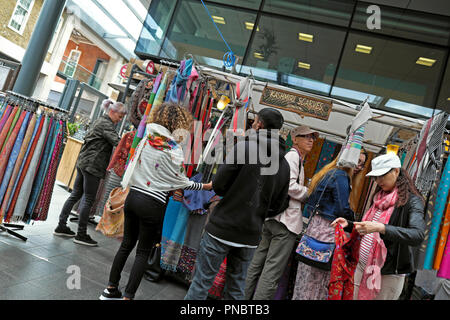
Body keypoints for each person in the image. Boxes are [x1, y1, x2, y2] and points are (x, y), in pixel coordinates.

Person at [100, 103, 212, 300]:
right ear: (178, 124)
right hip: (154, 203)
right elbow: (180, 181)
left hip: (133, 197)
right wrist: (204, 187)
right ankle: (128, 296)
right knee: (143, 251)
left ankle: (110, 289)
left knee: (126, 245)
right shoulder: (173, 149)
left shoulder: (145, 140)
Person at [184, 108, 291, 300]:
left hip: (222, 227)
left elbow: (219, 185)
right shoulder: (284, 165)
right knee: (236, 289)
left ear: (260, 125)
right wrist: (258, 212)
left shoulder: (245, 147)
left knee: (201, 284)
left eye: (255, 121)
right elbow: (280, 204)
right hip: (250, 234)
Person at [331, 153, 425, 300]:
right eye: (375, 177)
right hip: (361, 267)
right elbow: (369, 229)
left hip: (387, 274)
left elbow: (417, 235)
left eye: (382, 175)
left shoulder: (412, 201)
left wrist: (381, 228)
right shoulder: (379, 196)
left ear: (396, 171)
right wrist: (349, 225)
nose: (378, 180)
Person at [244, 125, 318, 300]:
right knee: (271, 271)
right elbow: (290, 187)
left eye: (313, 137)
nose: (310, 140)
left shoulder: (293, 158)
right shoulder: (293, 157)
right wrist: (309, 193)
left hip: (273, 218)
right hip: (284, 221)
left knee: (256, 264)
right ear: (295, 139)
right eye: (306, 136)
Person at [54, 99, 127, 246]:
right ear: (112, 112)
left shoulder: (99, 120)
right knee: (88, 199)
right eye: (119, 117)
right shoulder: (106, 125)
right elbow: (117, 143)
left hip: (84, 162)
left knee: (75, 194)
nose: (120, 120)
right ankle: (81, 234)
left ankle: (61, 225)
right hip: (93, 164)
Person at [292, 156, 354, 300]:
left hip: (314, 228)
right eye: (359, 163)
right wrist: (352, 219)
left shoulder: (327, 172)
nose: (359, 167)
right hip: (327, 231)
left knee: (304, 279)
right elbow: (342, 209)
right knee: (317, 282)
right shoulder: (341, 176)